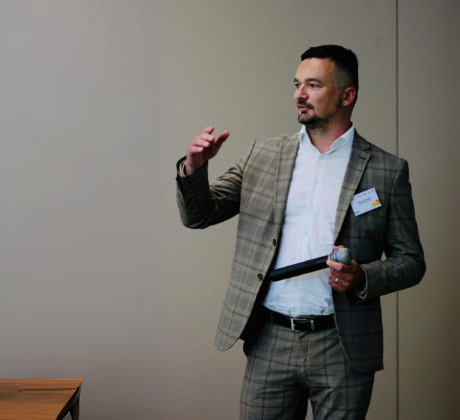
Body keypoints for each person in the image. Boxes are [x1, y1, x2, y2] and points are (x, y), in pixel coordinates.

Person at [176, 45, 425, 420]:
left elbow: (411, 261)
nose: (299, 94)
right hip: (269, 339)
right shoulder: (263, 156)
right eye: (297, 84)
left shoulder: (386, 171)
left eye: (313, 85)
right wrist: (194, 168)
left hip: (343, 345)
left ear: (347, 95)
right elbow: (200, 215)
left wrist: (362, 276)